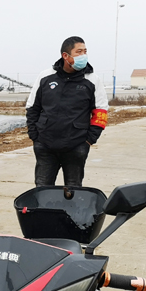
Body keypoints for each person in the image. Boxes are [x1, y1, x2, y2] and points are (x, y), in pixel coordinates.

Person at [25, 36, 108, 187]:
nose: (83, 55)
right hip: (45, 145)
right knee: (42, 190)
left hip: (76, 146)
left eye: (85, 51)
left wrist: (89, 140)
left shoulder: (92, 80)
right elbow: (32, 108)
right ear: (65, 56)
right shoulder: (45, 77)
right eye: (79, 52)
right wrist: (35, 136)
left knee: (73, 191)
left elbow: (101, 111)